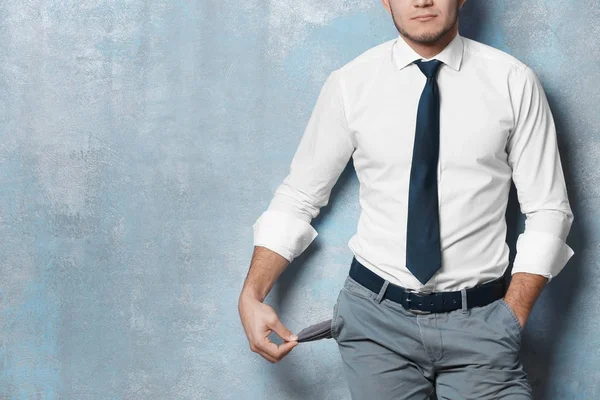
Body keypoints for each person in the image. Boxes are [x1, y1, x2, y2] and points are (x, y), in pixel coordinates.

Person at [238, 0, 575, 398]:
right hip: (375, 322)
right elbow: (298, 198)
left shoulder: (513, 81)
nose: (422, 0)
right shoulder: (352, 83)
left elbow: (548, 210)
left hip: (482, 323)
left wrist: (512, 316)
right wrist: (252, 294)